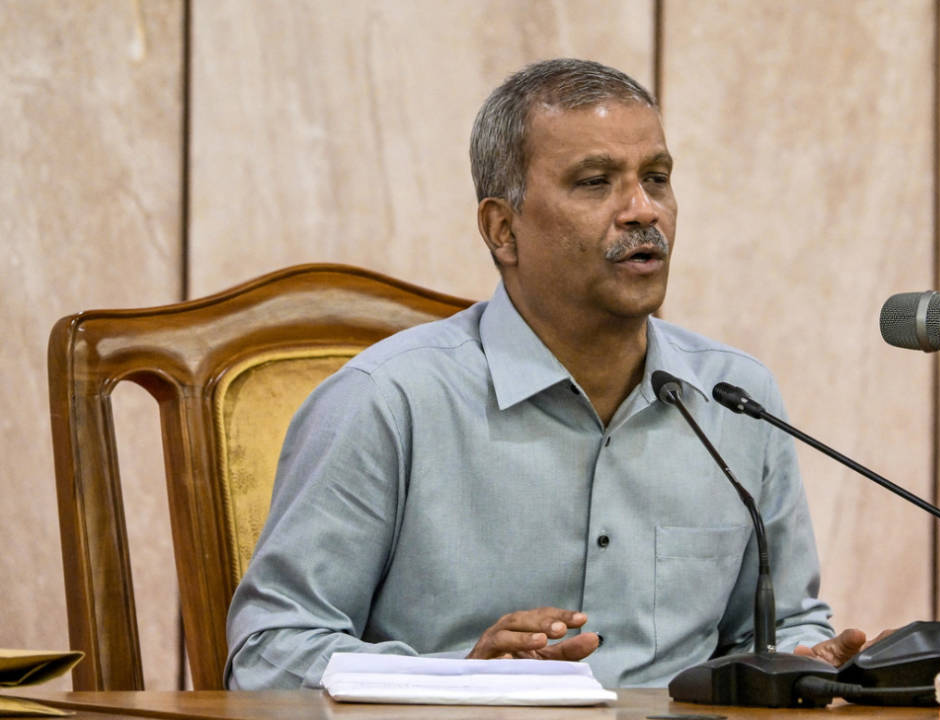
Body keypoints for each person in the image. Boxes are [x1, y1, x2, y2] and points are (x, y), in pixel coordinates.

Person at [225, 58, 869, 690]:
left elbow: (777, 630)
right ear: (503, 229)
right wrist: (456, 679)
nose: (643, 210)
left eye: (658, 177)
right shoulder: (389, 401)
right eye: (595, 182)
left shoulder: (734, 399)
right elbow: (269, 652)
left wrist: (812, 661)